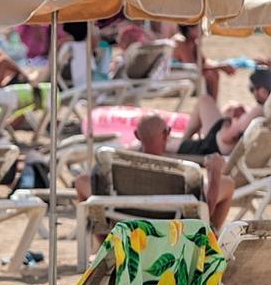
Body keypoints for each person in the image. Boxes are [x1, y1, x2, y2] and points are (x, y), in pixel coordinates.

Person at [75, 113, 234, 229]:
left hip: (125, 222)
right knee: (227, 184)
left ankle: (102, 242)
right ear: (166, 134)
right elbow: (205, 213)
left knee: (82, 181)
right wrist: (215, 175)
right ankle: (212, 234)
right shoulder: (180, 172)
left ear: (137, 135)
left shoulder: (119, 167)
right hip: (172, 226)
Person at [173, 24, 235, 99]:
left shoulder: (193, 42)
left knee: (213, 73)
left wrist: (221, 65)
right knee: (210, 75)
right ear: (189, 28)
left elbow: (204, 62)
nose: (203, 29)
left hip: (184, 74)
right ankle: (211, 105)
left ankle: (211, 105)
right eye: (200, 26)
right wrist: (221, 66)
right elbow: (192, 67)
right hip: (172, 77)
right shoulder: (181, 41)